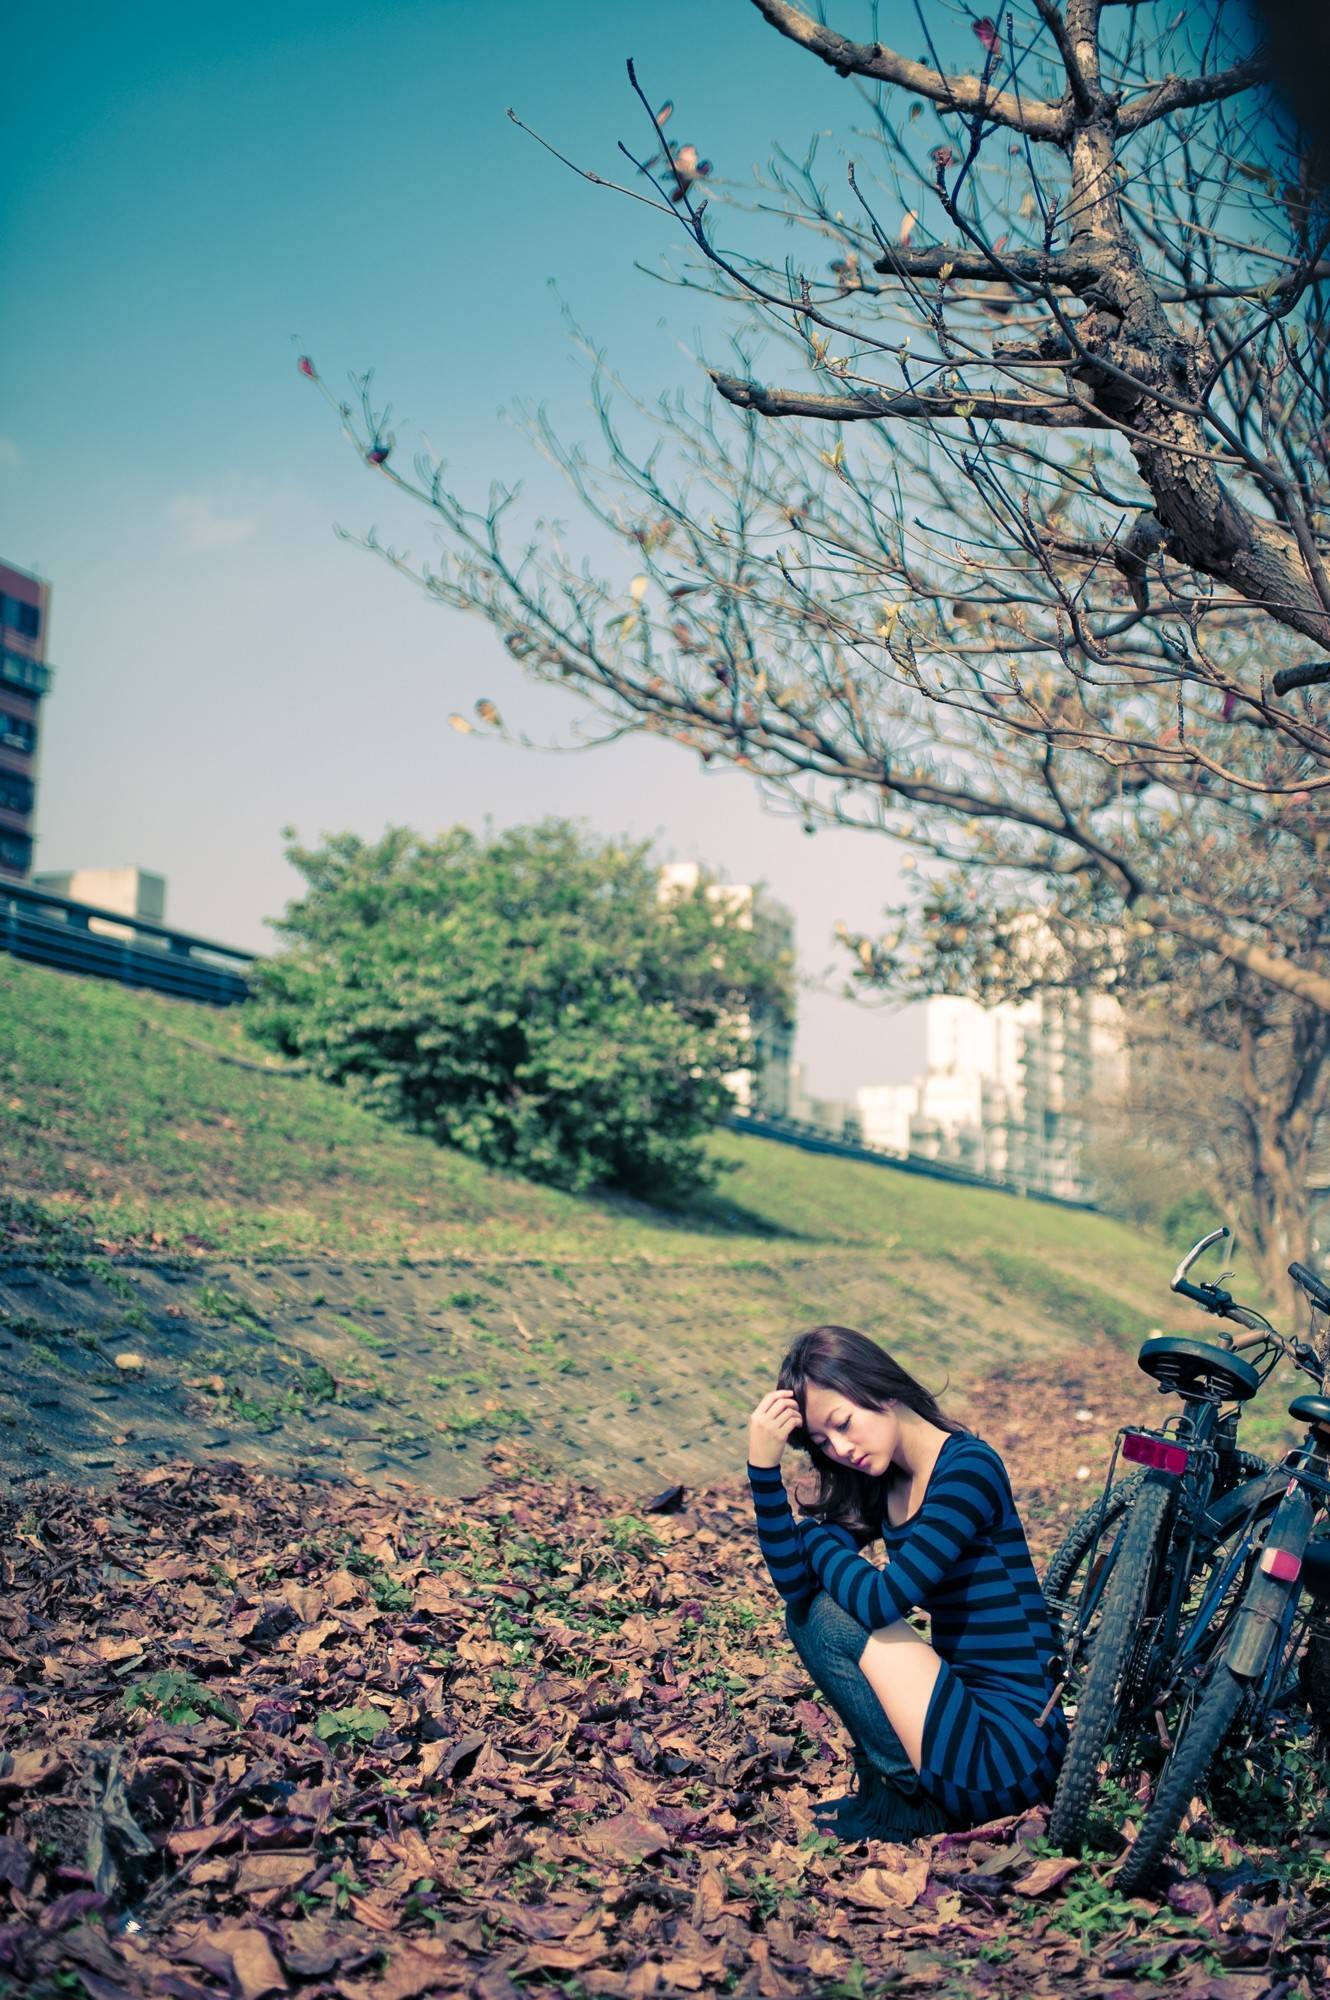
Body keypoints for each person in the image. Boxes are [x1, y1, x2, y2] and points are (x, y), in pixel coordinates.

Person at [746, 1324, 1067, 1841]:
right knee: (808, 1611)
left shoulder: (968, 1469)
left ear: (882, 1388)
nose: (840, 1448)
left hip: (1014, 1746)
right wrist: (763, 1470)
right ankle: (899, 1791)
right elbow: (794, 1585)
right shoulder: (886, 1482)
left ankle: (909, 1800)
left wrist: (816, 1539)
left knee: (834, 1610)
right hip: (965, 1708)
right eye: (824, 1441)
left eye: (843, 1423)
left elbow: (883, 1600)